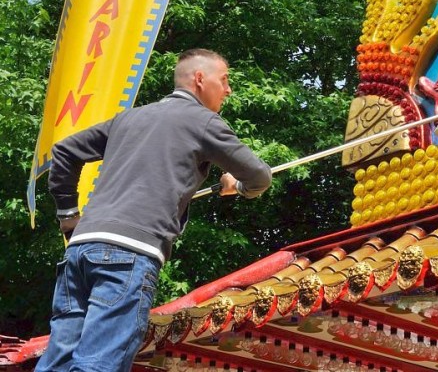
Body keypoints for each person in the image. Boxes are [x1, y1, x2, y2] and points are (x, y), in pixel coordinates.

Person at [35, 49, 272, 372]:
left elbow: (64, 151)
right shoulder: (203, 122)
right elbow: (259, 176)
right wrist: (240, 187)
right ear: (200, 79)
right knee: (98, 364)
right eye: (225, 80)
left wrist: (67, 216)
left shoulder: (129, 117)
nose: (228, 90)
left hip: (80, 251)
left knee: (57, 363)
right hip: (128, 255)